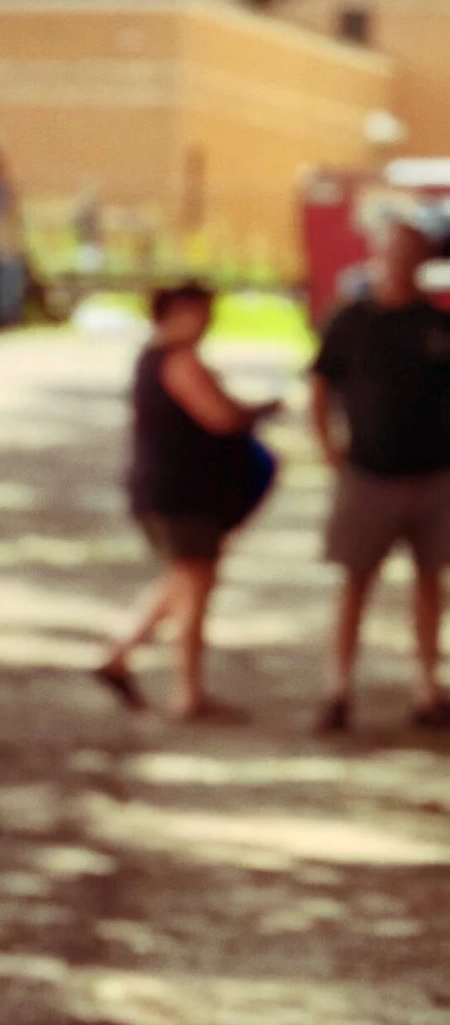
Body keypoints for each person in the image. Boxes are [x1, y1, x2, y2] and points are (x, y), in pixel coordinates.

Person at [95, 280, 280, 720]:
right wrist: (256, 411)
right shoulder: (177, 361)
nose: (208, 322)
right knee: (194, 590)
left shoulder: (156, 358)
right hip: (183, 495)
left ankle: (119, 657)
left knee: (182, 581)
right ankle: (188, 692)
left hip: (173, 493)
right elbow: (220, 417)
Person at [309, 204, 450, 731]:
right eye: (391, 250)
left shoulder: (437, 325)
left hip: (433, 476)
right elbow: (320, 387)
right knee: (354, 583)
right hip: (368, 473)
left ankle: (427, 687)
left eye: (410, 252)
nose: (399, 261)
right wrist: (329, 449)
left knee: (430, 583)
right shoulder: (350, 321)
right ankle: (338, 688)